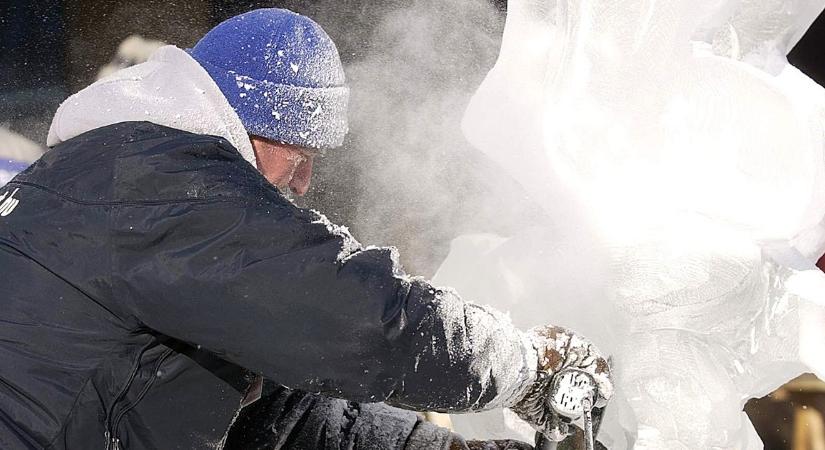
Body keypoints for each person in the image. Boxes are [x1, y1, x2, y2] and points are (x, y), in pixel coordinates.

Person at [0, 8, 612, 450]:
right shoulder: (167, 183)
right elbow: (362, 320)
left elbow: (266, 416)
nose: (303, 180)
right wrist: (531, 367)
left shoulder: (108, 175)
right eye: (297, 149)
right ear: (244, 118)